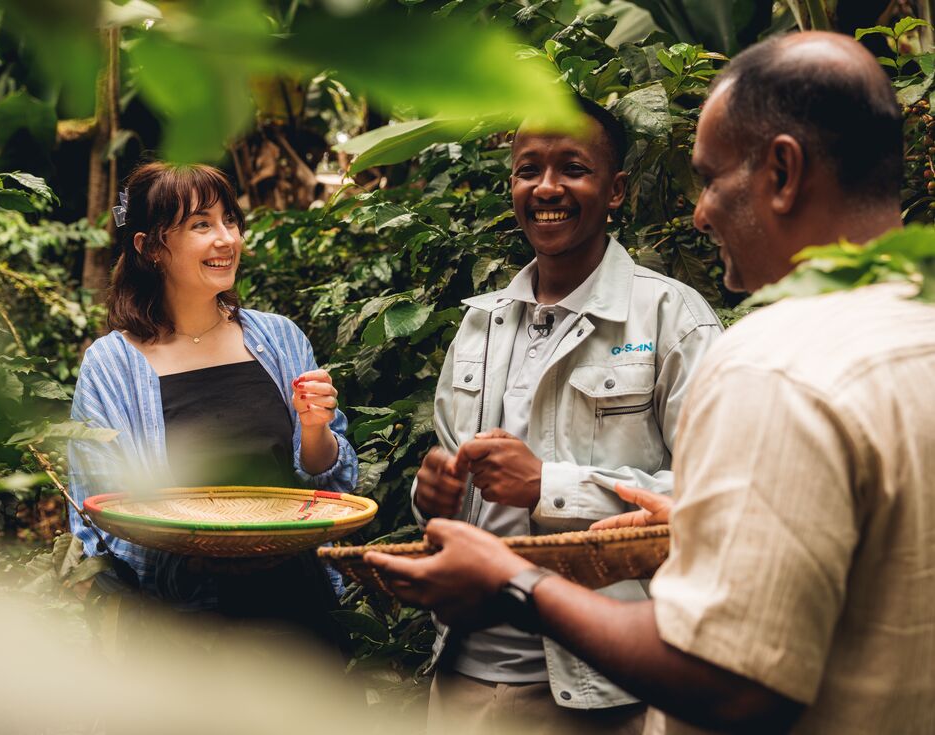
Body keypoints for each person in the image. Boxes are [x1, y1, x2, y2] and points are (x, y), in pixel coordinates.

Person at [368, 31, 935, 735]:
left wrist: (517, 574)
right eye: (526, 168)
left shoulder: (765, 362)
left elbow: (734, 683)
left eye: (709, 177)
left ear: (783, 173)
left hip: (596, 690)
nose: (699, 211)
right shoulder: (918, 330)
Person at [409, 98, 722, 734]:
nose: (547, 188)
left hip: (601, 686)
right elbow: (450, 512)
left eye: (573, 168)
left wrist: (547, 486)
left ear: (616, 190)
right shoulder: (480, 325)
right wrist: (432, 498)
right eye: (529, 170)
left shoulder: (672, 320)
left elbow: (712, 501)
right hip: (463, 674)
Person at [67, 162, 358, 641]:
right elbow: (97, 512)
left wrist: (315, 428)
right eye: (201, 225)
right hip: (181, 628)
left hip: (298, 610)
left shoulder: (280, 339)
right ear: (150, 247)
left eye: (230, 220)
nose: (227, 238)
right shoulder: (112, 365)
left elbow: (331, 480)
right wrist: (195, 558)